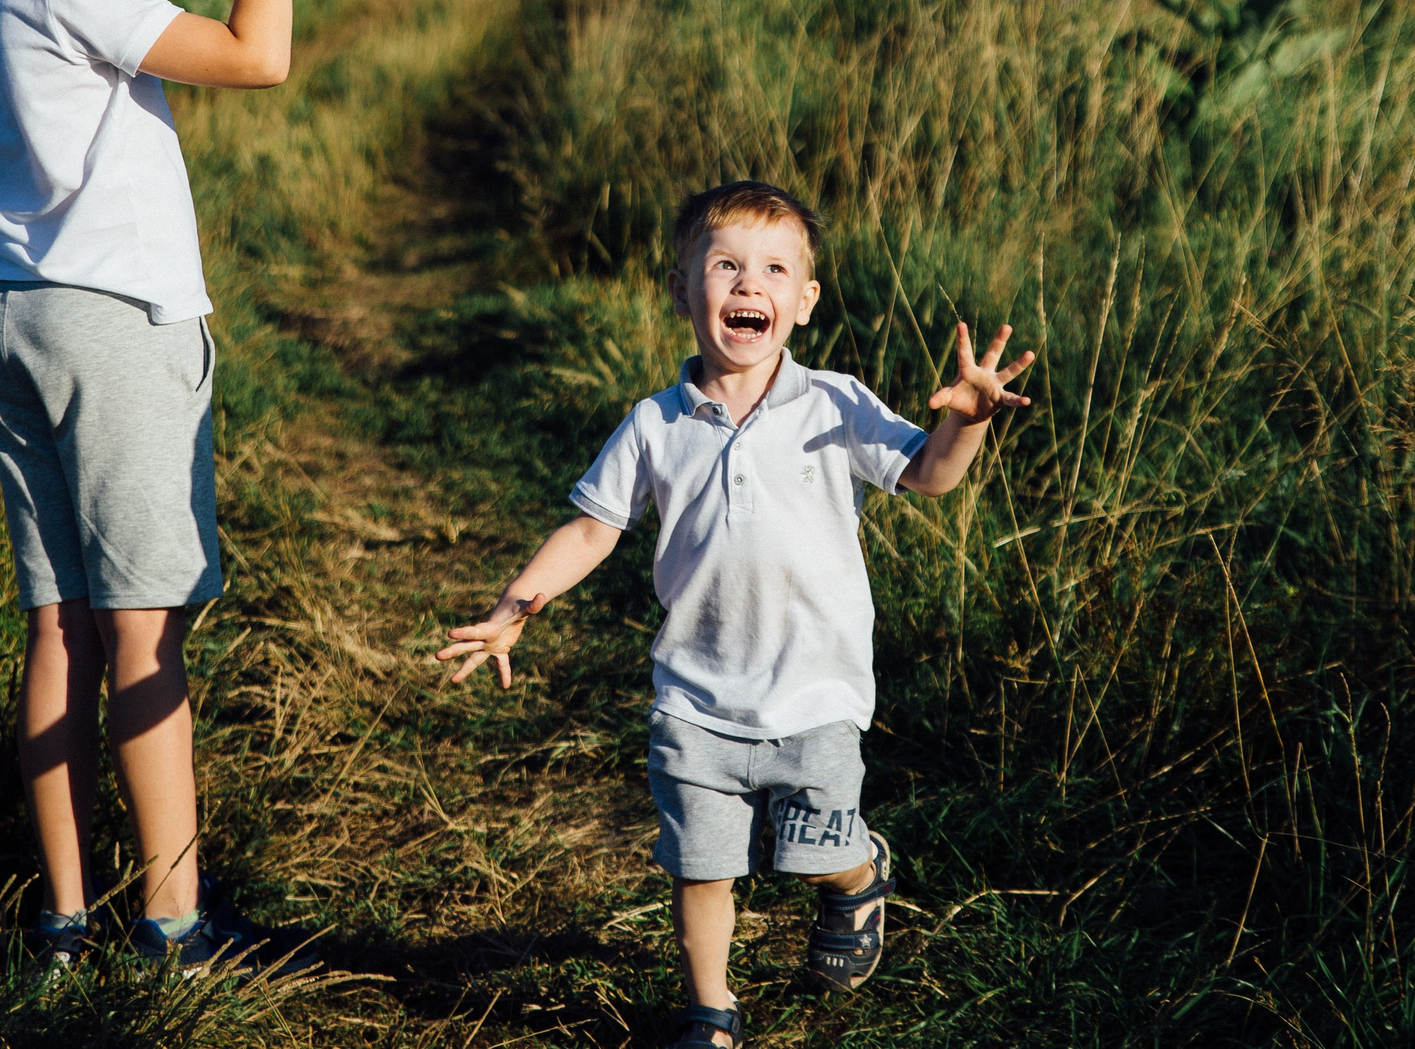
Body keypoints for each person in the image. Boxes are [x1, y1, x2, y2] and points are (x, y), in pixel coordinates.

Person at [436, 180, 1035, 1048]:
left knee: (817, 851)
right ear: (683, 291)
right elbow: (591, 528)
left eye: (774, 269)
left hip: (814, 695)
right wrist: (516, 603)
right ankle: (709, 1013)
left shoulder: (836, 402)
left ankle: (857, 879)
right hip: (695, 698)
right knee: (700, 867)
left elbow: (930, 475)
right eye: (725, 266)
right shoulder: (655, 423)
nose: (749, 284)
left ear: (805, 300)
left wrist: (971, 421)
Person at [0, 0, 297, 971]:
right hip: (113, 325)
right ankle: (176, 924)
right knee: (144, 633)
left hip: (17, 317)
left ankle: (65, 916)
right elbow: (258, 54)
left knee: (59, 625)